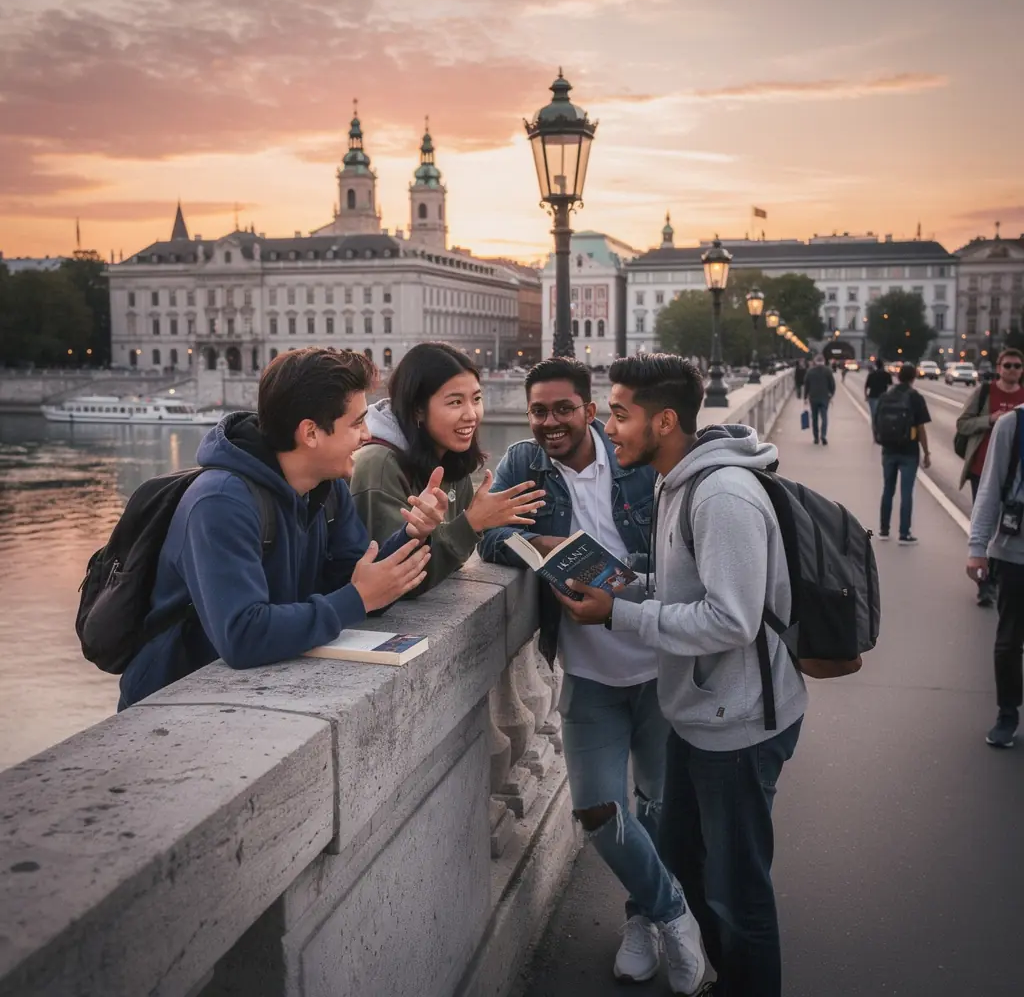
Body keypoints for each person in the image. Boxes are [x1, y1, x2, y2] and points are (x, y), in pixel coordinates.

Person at [554, 353, 806, 997]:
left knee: (738, 892)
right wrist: (626, 585)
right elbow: (680, 587)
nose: (606, 426)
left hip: (742, 722)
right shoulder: (676, 479)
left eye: (618, 414)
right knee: (693, 872)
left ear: (664, 421)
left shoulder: (720, 494)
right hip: (700, 716)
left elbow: (732, 620)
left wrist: (621, 615)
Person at [478, 358, 705, 992]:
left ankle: (641, 918)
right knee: (598, 809)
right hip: (589, 674)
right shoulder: (525, 463)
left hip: (661, 665)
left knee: (656, 807)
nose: (548, 422)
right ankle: (672, 912)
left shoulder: (635, 459)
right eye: (538, 411)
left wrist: (616, 569)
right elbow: (492, 540)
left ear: (590, 411)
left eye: (562, 410)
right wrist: (547, 548)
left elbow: (675, 554)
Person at [118, 348, 443, 709]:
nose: (367, 435)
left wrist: (413, 534)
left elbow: (353, 582)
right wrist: (359, 597)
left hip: (249, 695)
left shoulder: (327, 486)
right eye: (356, 423)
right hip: (173, 705)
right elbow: (242, 635)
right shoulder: (220, 501)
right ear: (311, 433)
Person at [350, 342, 544, 594]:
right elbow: (397, 581)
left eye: (476, 399)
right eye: (455, 402)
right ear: (418, 409)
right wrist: (472, 523)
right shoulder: (378, 464)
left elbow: (453, 560)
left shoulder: (450, 454)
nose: (471, 414)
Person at [966, 402, 1024, 747]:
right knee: (1008, 642)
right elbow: (988, 489)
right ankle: (1007, 712)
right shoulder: (1012, 425)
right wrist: (977, 548)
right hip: (1014, 551)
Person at [956, 348, 1024, 606]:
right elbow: (963, 424)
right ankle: (985, 584)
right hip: (982, 470)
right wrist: (989, 420)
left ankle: (998, 578)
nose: (1012, 370)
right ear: (999, 367)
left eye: (1017, 366)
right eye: (1008, 365)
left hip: (1014, 480)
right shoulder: (985, 393)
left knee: (1008, 531)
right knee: (986, 523)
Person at [877, 362, 931, 544]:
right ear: (913, 377)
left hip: (888, 449)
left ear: (898, 376)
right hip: (909, 451)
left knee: (887, 490)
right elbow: (921, 428)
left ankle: (884, 530)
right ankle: (904, 533)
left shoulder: (886, 396)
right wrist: (926, 452)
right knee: (906, 492)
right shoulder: (915, 397)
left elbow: (877, 421)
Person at [803, 354, 836, 445]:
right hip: (824, 397)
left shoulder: (810, 371)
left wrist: (805, 397)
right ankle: (823, 435)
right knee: (824, 417)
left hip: (813, 397)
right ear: (824, 362)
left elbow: (807, 385)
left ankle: (816, 437)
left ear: (815, 362)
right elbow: (832, 385)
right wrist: (831, 394)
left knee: (815, 418)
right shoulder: (828, 371)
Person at [864, 358, 893, 427]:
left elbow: (866, 386)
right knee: (883, 414)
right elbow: (891, 385)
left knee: (874, 415)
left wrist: (866, 396)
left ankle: (875, 429)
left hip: (873, 396)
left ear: (876, 365)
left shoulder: (871, 374)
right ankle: (882, 428)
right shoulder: (887, 374)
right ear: (882, 365)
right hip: (883, 397)